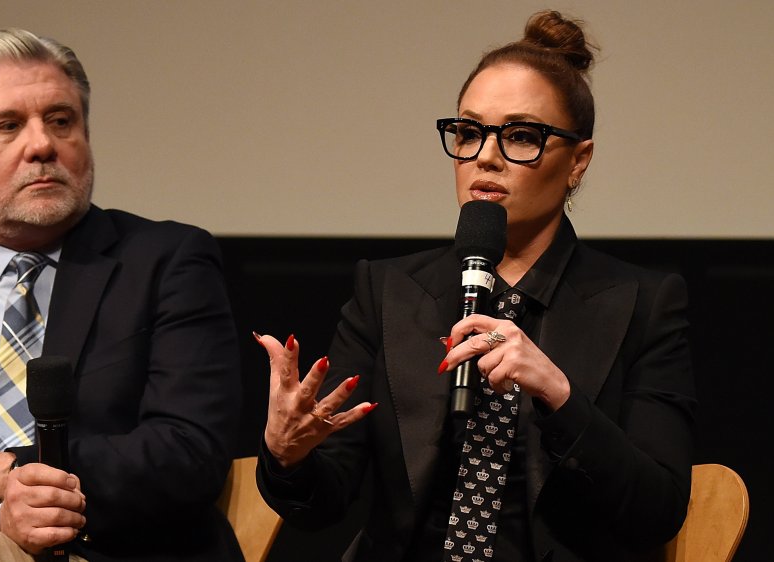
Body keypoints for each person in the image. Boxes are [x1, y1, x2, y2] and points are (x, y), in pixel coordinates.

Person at [255, 10, 695, 562]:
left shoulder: (643, 304)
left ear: (578, 161)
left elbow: (657, 512)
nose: (485, 155)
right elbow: (324, 506)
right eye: (468, 132)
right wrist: (288, 456)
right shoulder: (388, 291)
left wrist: (560, 398)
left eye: (520, 136)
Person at [0, 28, 244, 562]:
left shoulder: (167, 261)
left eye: (61, 121)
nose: (41, 145)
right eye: (7, 126)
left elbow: (189, 451)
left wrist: (2, 472)